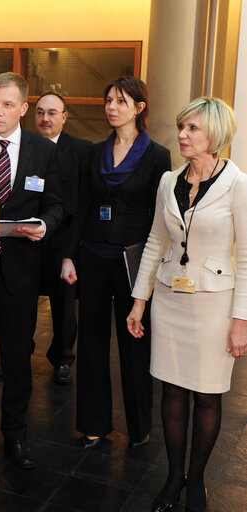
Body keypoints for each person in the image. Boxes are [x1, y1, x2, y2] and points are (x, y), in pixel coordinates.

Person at [127, 97, 245, 512]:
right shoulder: (168, 181)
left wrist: (241, 321)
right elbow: (155, 244)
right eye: (182, 127)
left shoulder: (238, 184)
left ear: (215, 134)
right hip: (171, 301)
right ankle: (174, 475)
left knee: (208, 396)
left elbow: (246, 257)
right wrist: (139, 301)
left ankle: (196, 482)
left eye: (193, 128)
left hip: (215, 305)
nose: (182, 135)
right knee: (172, 391)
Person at [61, 76, 170, 451]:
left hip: (134, 259)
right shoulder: (94, 153)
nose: (111, 107)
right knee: (91, 340)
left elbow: (159, 217)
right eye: (108, 100)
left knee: (133, 342)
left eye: (120, 101)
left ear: (139, 108)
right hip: (93, 254)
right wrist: (69, 254)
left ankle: (139, 427)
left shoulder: (158, 156)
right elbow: (84, 206)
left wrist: (156, 269)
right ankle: (93, 425)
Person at [0, 72, 63, 468]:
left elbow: (58, 204)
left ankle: (15, 436)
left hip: (20, 272)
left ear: (24, 109)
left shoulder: (43, 151)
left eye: (7, 105)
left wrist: (45, 226)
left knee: (16, 360)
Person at [34, 92, 93, 385]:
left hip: (64, 242)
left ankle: (62, 359)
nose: (46, 118)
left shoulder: (82, 151)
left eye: (52, 113)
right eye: (40, 112)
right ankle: (20, 352)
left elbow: (86, 200)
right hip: (27, 239)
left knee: (65, 304)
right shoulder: (26, 147)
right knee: (20, 300)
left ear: (64, 117)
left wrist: (75, 246)